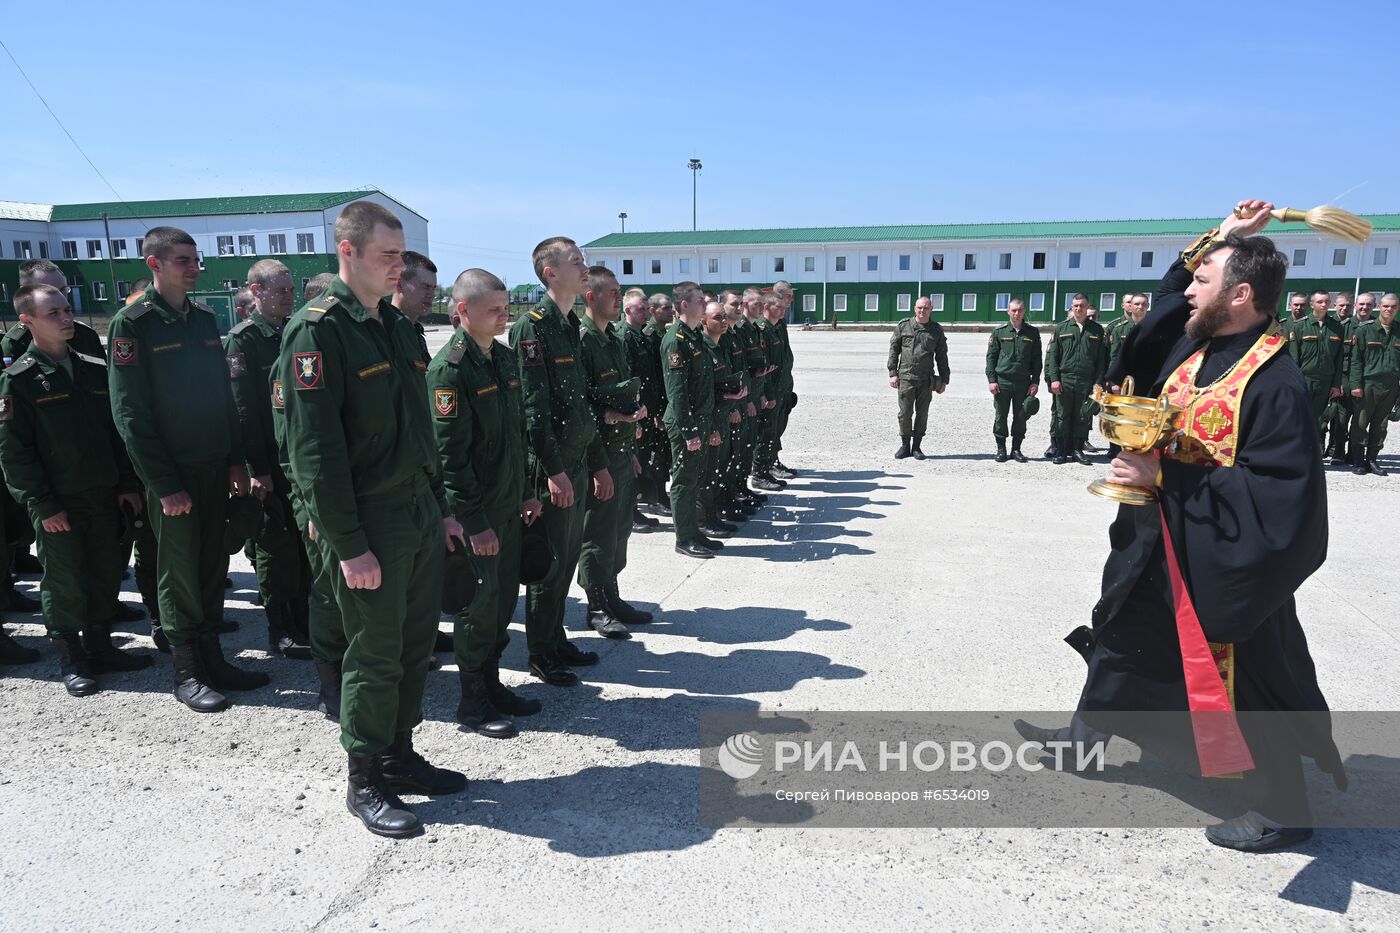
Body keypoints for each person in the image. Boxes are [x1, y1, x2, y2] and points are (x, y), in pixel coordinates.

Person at [1027, 204, 1346, 852]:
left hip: (1217, 559)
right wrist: (1221, 235)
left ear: (1242, 294)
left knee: (1248, 676)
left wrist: (1168, 477)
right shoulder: (1198, 350)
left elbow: (1285, 501)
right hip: (1155, 537)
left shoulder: (1272, 380)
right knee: (1118, 632)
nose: (1188, 287)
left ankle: (1284, 807)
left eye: (1205, 277)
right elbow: (1162, 312)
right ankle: (1083, 742)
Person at [278, 201, 467, 838]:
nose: (399, 266)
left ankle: (399, 753)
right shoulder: (318, 330)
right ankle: (363, 777)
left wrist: (439, 509)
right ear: (348, 251)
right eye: (388, 255)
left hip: (413, 511)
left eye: (401, 254)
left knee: (415, 647)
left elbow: (418, 432)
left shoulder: (392, 324)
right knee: (375, 652)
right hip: (367, 524)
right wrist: (349, 545)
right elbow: (314, 454)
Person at [108, 226, 262, 714]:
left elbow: (222, 397)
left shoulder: (202, 317)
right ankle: (188, 671)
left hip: (214, 465)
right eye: (182, 260)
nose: (194, 267)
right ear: (153, 264)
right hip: (172, 475)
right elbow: (130, 414)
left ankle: (214, 658)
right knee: (178, 572)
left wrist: (236, 459)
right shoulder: (133, 324)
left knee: (213, 563)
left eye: (196, 260)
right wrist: (163, 484)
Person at [0, 284, 150, 695]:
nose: (67, 318)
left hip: (102, 492)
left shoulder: (93, 369)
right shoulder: (19, 381)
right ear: (26, 321)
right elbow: (14, 454)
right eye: (54, 313)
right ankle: (71, 657)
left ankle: (101, 646)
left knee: (105, 571)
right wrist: (43, 505)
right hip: (58, 501)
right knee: (65, 580)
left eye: (67, 309)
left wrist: (125, 483)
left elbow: (114, 433)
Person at [429, 268, 543, 737]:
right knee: (478, 605)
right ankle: (472, 702)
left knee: (501, 602)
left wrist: (527, 491)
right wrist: (473, 522)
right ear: (462, 311)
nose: (504, 316)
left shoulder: (500, 357)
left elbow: (516, 435)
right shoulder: (449, 370)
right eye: (494, 309)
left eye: (506, 307)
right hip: (478, 514)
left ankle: (493, 684)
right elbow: (449, 459)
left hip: (508, 505)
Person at [508, 237, 612, 686]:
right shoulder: (532, 327)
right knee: (548, 563)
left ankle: (555, 637)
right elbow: (533, 408)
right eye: (575, 262)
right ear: (550, 272)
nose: (584, 267)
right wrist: (553, 471)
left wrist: (598, 462)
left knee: (567, 558)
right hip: (553, 469)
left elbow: (581, 404)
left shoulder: (571, 324)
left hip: (576, 461)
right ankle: (539, 652)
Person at [223, 259, 312, 660]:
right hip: (270, 463)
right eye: (281, 290)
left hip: (298, 460)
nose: (289, 296)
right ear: (256, 293)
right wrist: (256, 468)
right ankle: (280, 629)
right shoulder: (243, 341)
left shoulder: (294, 331)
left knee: (302, 546)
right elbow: (243, 411)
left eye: (292, 290)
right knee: (276, 548)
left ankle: (305, 620)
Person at [577, 266, 653, 637]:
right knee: (599, 532)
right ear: (591, 296)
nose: (618, 299)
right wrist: (597, 464)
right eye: (612, 293)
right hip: (599, 457)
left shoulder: (613, 340)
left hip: (622, 452)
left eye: (620, 292)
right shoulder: (583, 341)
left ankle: (612, 593)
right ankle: (595, 606)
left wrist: (632, 446)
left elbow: (621, 393)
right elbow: (578, 404)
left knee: (621, 529)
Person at [662, 282, 720, 559]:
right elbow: (677, 393)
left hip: (699, 420)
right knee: (684, 481)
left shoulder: (694, 336)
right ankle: (683, 537)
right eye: (699, 299)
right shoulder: (676, 340)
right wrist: (689, 431)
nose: (704, 303)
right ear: (684, 304)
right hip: (686, 423)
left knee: (695, 478)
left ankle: (694, 531)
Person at [698, 300, 746, 538]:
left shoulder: (719, 345)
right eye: (718, 317)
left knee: (719, 468)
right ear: (703, 321)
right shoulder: (703, 348)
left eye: (723, 317)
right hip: (709, 420)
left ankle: (714, 514)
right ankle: (703, 520)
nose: (724, 321)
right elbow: (703, 393)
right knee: (705, 475)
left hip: (722, 416)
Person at [1044, 294, 1107, 465]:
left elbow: (1102, 360)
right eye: (1075, 305)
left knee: (1082, 417)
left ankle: (1078, 450)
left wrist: (1098, 382)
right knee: (1062, 416)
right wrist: (1054, 379)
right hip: (1065, 380)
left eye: (1082, 305)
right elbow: (1053, 358)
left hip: (1086, 381)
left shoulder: (1097, 330)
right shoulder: (1061, 328)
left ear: (1087, 307)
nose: (1078, 309)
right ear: (1071, 307)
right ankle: (1062, 451)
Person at [618, 289, 662, 533]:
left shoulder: (642, 337)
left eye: (647, 308)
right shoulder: (625, 338)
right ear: (627, 311)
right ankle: (630, 512)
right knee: (632, 465)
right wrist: (633, 420)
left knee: (643, 461)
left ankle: (636, 508)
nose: (646, 312)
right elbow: (628, 382)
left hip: (646, 412)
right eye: (641, 309)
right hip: (634, 414)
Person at [886, 295, 950, 460]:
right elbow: (894, 350)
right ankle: (905, 445)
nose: (922, 311)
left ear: (931, 310)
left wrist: (944, 379)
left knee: (923, 414)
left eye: (926, 308)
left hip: (926, 379)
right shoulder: (903, 326)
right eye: (920, 307)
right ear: (915, 308)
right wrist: (893, 373)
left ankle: (917, 447)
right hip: (906, 378)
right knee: (905, 413)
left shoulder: (936, 330)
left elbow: (942, 356)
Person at [1347, 293, 1400, 475]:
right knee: (1360, 423)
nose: (1389, 310)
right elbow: (1356, 361)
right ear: (1379, 307)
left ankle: (1372, 460)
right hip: (1368, 384)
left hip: (1391, 386)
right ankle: (1359, 461)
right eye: (1386, 306)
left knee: (1381, 425)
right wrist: (1355, 385)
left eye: (1393, 307)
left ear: (1397, 309)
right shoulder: (1364, 330)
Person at [984, 298, 1041, 463]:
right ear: (1008, 311)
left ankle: (1016, 449)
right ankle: (1001, 449)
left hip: (1023, 382)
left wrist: (1035, 382)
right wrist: (992, 380)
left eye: (1020, 310)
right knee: (1000, 416)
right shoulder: (999, 332)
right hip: (1003, 382)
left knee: (1021, 416)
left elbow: (1037, 360)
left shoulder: (1032, 333)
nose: (1017, 313)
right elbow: (991, 359)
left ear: (1024, 311)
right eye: (1014, 310)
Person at [1286, 289, 1345, 443]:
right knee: (1298, 416)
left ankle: (1314, 451)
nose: (1324, 304)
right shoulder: (1299, 326)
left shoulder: (1337, 327)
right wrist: (1294, 383)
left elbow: (1339, 359)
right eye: (1320, 301)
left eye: (1326, 301)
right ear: (1312, 304)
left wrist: (1336, 384)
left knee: (1320, 419)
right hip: (1304, 379)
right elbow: (1293, 358)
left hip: (1325, 381)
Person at [638, 292, 675, 515]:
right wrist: (654, 410)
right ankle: (654, 496)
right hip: (653, 405)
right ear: (653, 311)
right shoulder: (648, 335)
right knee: (654, 455)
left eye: (671, 307)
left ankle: (659, 494)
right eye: (666, 308)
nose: (671, 311)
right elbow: (649, 375)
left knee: (663, 452)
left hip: (663, 402)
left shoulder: (664, 333)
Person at [769, 281, 799, 477]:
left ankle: (773, 460)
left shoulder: (780, 322)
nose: (791, 300)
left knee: (777, 426)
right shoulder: (767, 325)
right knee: (769, 429)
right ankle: (765, 465)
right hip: (772, 386)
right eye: (789, 296)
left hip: (782, 385)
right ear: (779, 296)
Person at [1326, 292, 1356, 463]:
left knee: (1342, 415)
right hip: (1330, 375)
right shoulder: (1329, 324)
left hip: (1348, 376)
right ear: (1335, 305)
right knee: (1327, 414)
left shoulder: (1356, 326)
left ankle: (1340, 448)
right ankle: (1325, 445)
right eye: (1342, 305)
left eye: (1348, 305)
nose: (1345, 308)